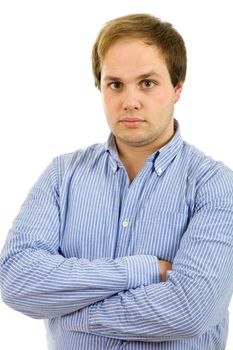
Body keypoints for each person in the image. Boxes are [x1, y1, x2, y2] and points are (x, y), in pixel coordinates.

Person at [1, 13, 233, 350]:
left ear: (177, 88)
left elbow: (190, 309)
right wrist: (142, 270)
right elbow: (17, 281)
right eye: (115, 84)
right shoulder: (62, 175)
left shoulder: (216, 185)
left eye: (147, 83)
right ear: (101, 87)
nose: (130, 101)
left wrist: (73, 316)